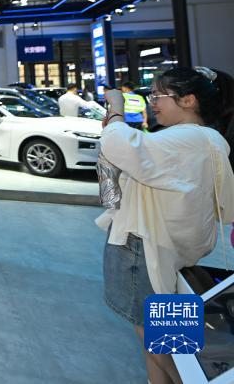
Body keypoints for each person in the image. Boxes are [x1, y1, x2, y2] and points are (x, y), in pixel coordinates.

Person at [98, 67, 234, 384]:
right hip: (172, 249)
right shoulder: (209, 139)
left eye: (158, 96)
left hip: (144, 248)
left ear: (188, 100)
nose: (153, 103)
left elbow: (119, 146)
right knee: (167, 335)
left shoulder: (185, 139)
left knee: (158, 341)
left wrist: (116, 109)